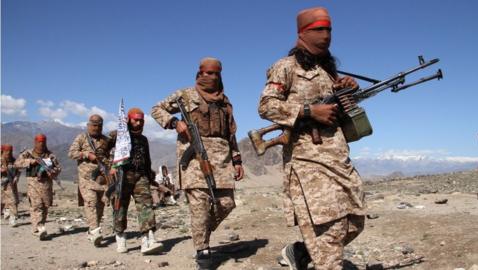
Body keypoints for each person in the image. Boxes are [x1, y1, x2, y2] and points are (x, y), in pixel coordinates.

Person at [257, 7, 366, 270]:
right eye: (319, 29)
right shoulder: (286, 67)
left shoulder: (329, 72)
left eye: (329, 29)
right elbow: (266, 105)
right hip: (307, 160)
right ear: (302, 33)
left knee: (355, 220)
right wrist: (308, 111)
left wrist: (348, 91)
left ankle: (300, 252)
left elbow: (337, 110)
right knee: (329, 230)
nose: (326, 35)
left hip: (338, 157)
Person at [151, 57, 244, 269]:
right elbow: (157, 109)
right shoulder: (185, 95)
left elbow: (231, 134)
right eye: (207, 73)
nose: (211, 77)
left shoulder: (225, 101)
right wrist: (175, 122)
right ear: (199, 73)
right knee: (200, 206)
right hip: (193, 159)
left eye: (216, 73)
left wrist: (237, 160)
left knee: (227, 203)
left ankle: (200, 232)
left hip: (222, 160)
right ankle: (202, 250)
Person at [109, 108, 163, 255]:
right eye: (135, 120)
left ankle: (148, 238)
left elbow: (147, 160)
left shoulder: (143, 139)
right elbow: (101, 151)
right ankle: (120, 236)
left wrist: (150, 177)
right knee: (120, 207)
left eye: (141, 121)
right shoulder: (117, 136)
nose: (138, 123)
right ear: (129, 120)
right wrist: (111, 166)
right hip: (122, 176)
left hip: (140, 176)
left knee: (146, 205)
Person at [68, 114, 113, 246]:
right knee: (91, 203)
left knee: (100, 205)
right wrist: (86, 154)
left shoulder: (105, 140)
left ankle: (92, 230)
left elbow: (111, 155)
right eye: (94, 125)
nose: (96, 128)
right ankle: (95, 231)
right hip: (86, 178)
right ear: (88, 125)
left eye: (99, 126)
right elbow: (71, 153)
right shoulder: (82, 138)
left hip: (101, 179)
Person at [15, 134, 61, 240]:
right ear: (35, 142)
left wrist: (53, 172)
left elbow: (58, 168)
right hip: (33, 182)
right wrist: (31, 162)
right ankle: (37, 229)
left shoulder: (50, 155)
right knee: (36, 205)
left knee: (45, 205)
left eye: (43, 142)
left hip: (46, 184)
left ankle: (41, 226)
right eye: (39, 142)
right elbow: (17, 164)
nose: (41, 144)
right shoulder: (28, 153)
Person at [1, 144, 21, 227]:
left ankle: (13, 218)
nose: (9, 153)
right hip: (2, 184)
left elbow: (18, 170)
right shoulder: (1, 159)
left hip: (11, 184)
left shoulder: (13, 160)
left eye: (10, 151)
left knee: (13, 201)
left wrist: (16, 177)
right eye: (7, 151)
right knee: (2, 201)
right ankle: (5, 211)